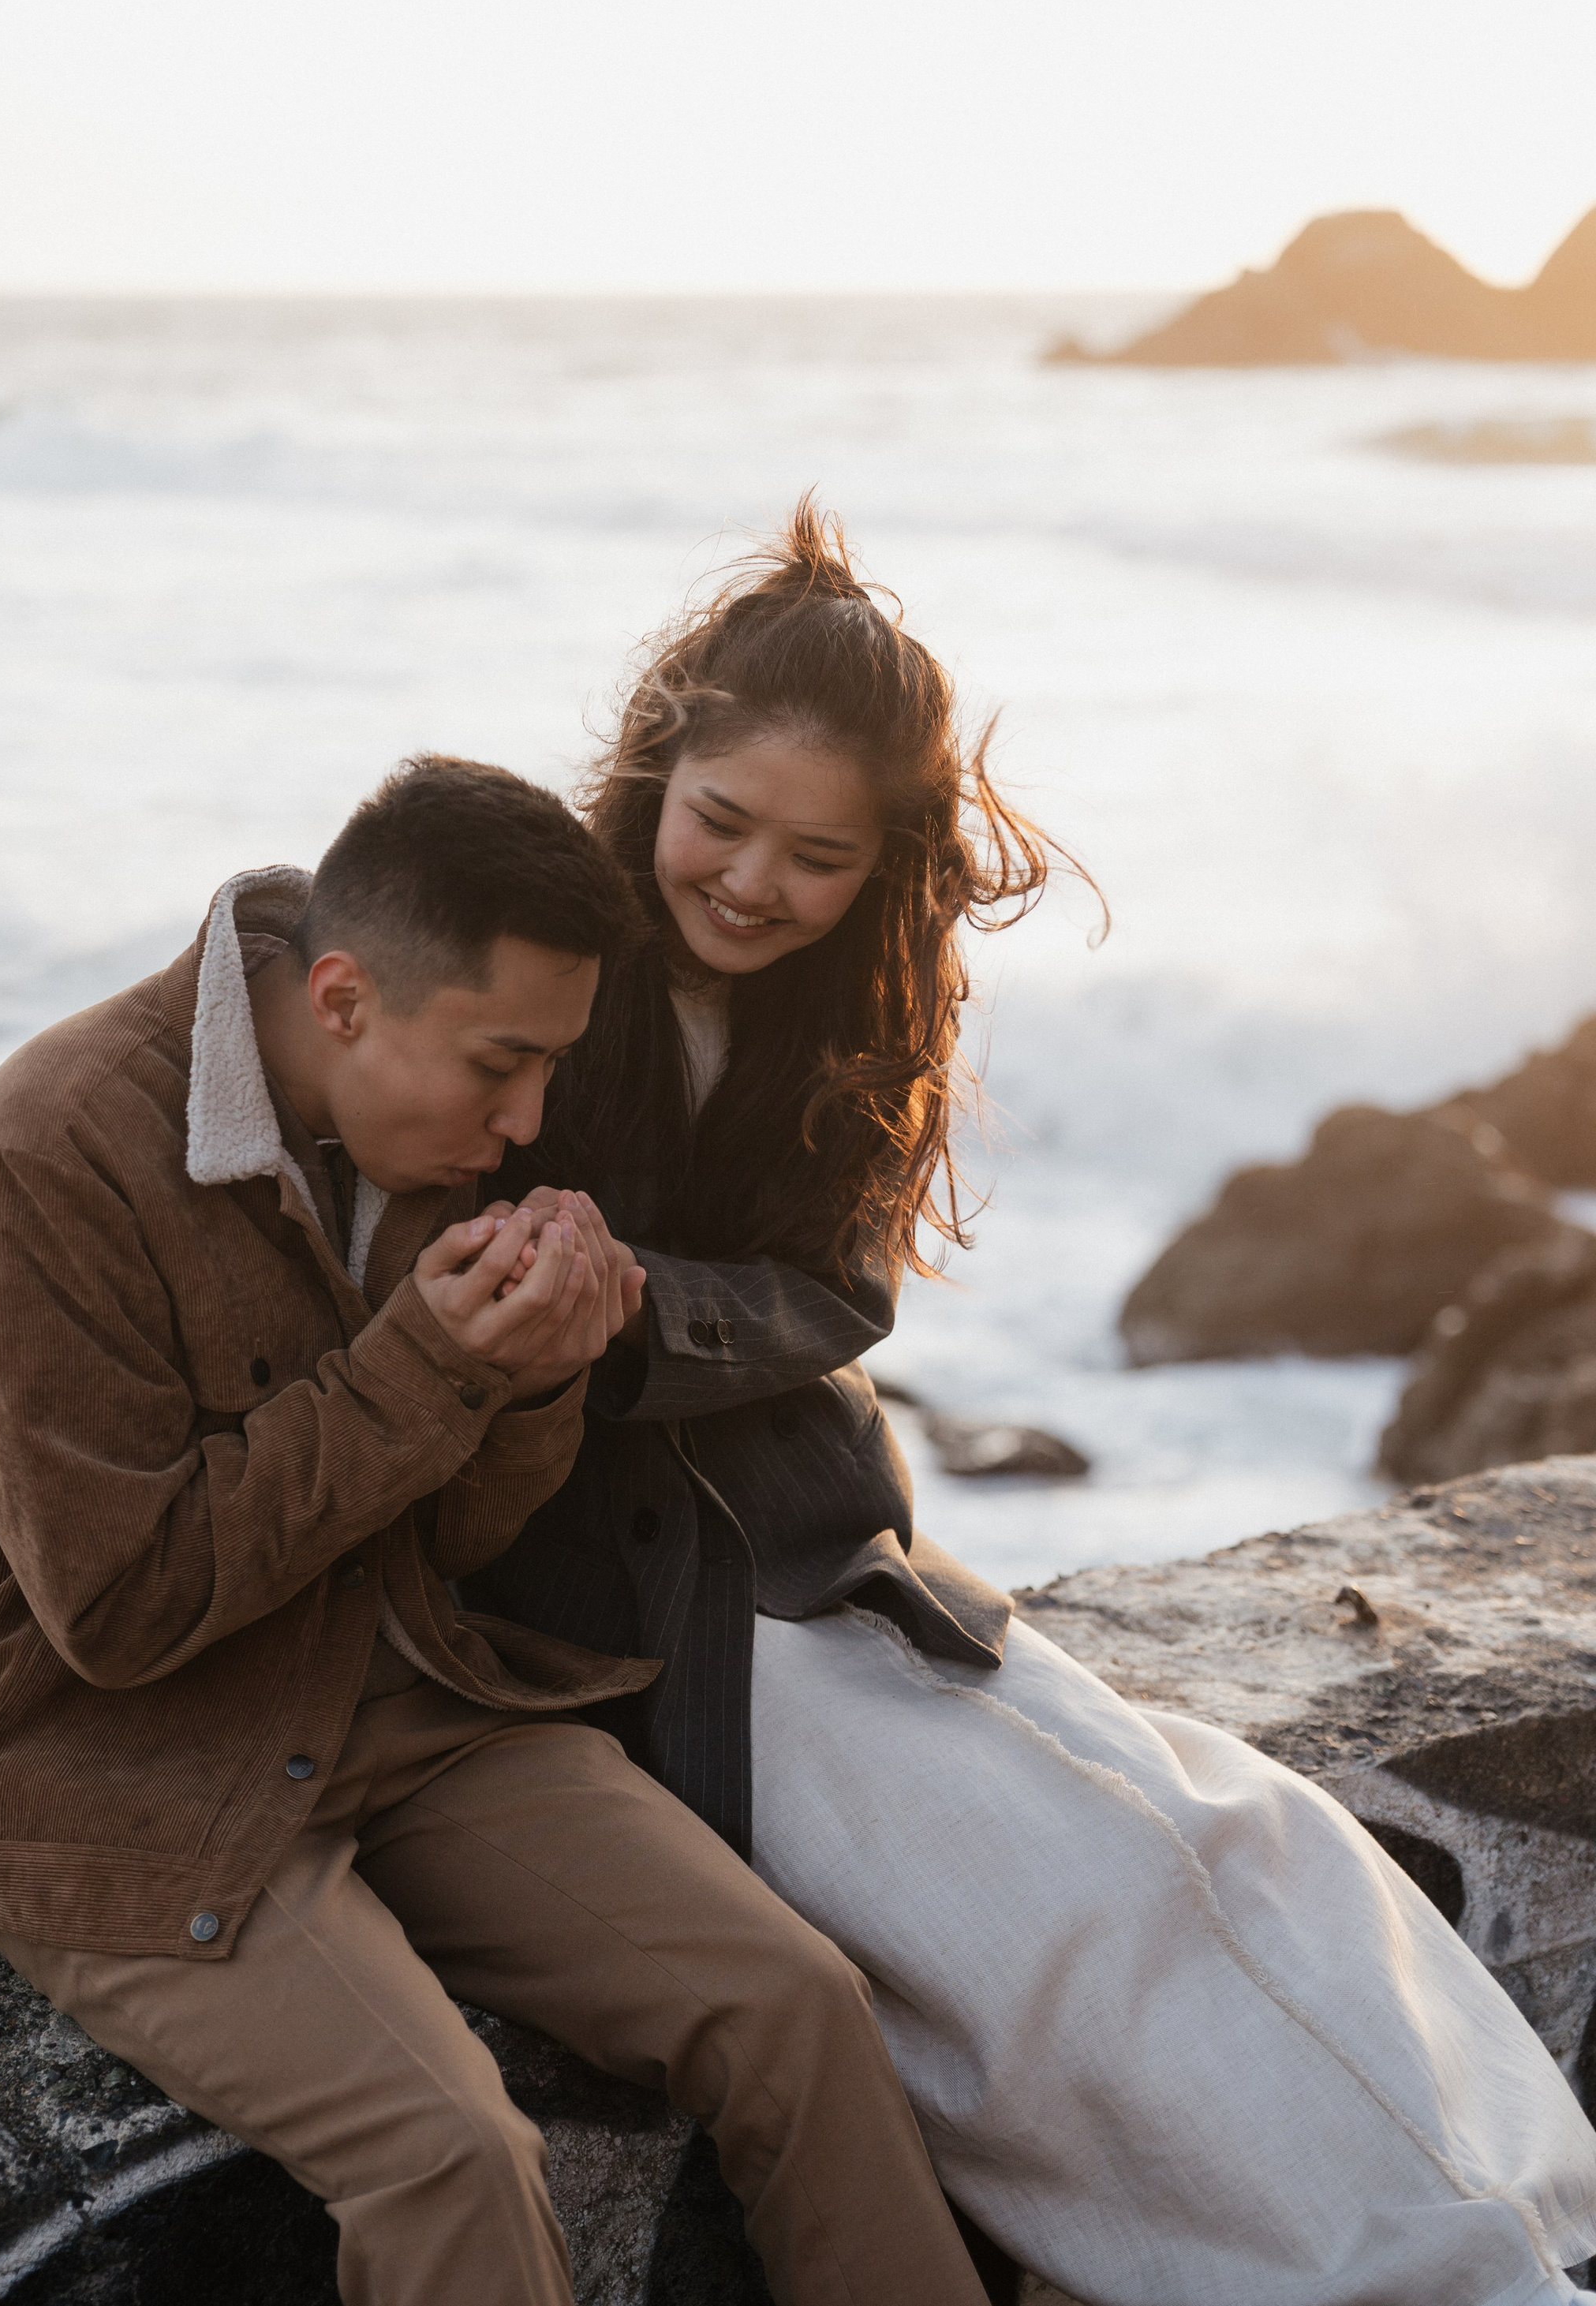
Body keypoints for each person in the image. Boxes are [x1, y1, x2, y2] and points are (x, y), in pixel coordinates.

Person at [472, 505, 1596, 2306]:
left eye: (817, 855)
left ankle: (1506, 2228)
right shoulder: (537, 952)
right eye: (721, 821)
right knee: (1047, 1929)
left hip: (828, 1556)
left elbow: (838, 1291)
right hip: (633, 1622)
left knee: (1242, 1843)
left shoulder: (856, 1009)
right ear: (650, 760)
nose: (753, 880)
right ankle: (1383, 2275)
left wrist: (628, 1307)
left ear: (887, 859)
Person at [0, 753, 992, 2306]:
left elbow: (450, 1535)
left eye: (546, 1069)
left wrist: (533, 1378)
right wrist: (429, 1366)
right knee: (447, 2147)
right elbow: (116, 1609)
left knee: (794, 2002)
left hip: (382, 1698)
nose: (526, 1121)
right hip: (96, 1764)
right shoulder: (42, 1161)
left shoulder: (410, 1132)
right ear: (340, 1000)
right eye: (500, 1064)